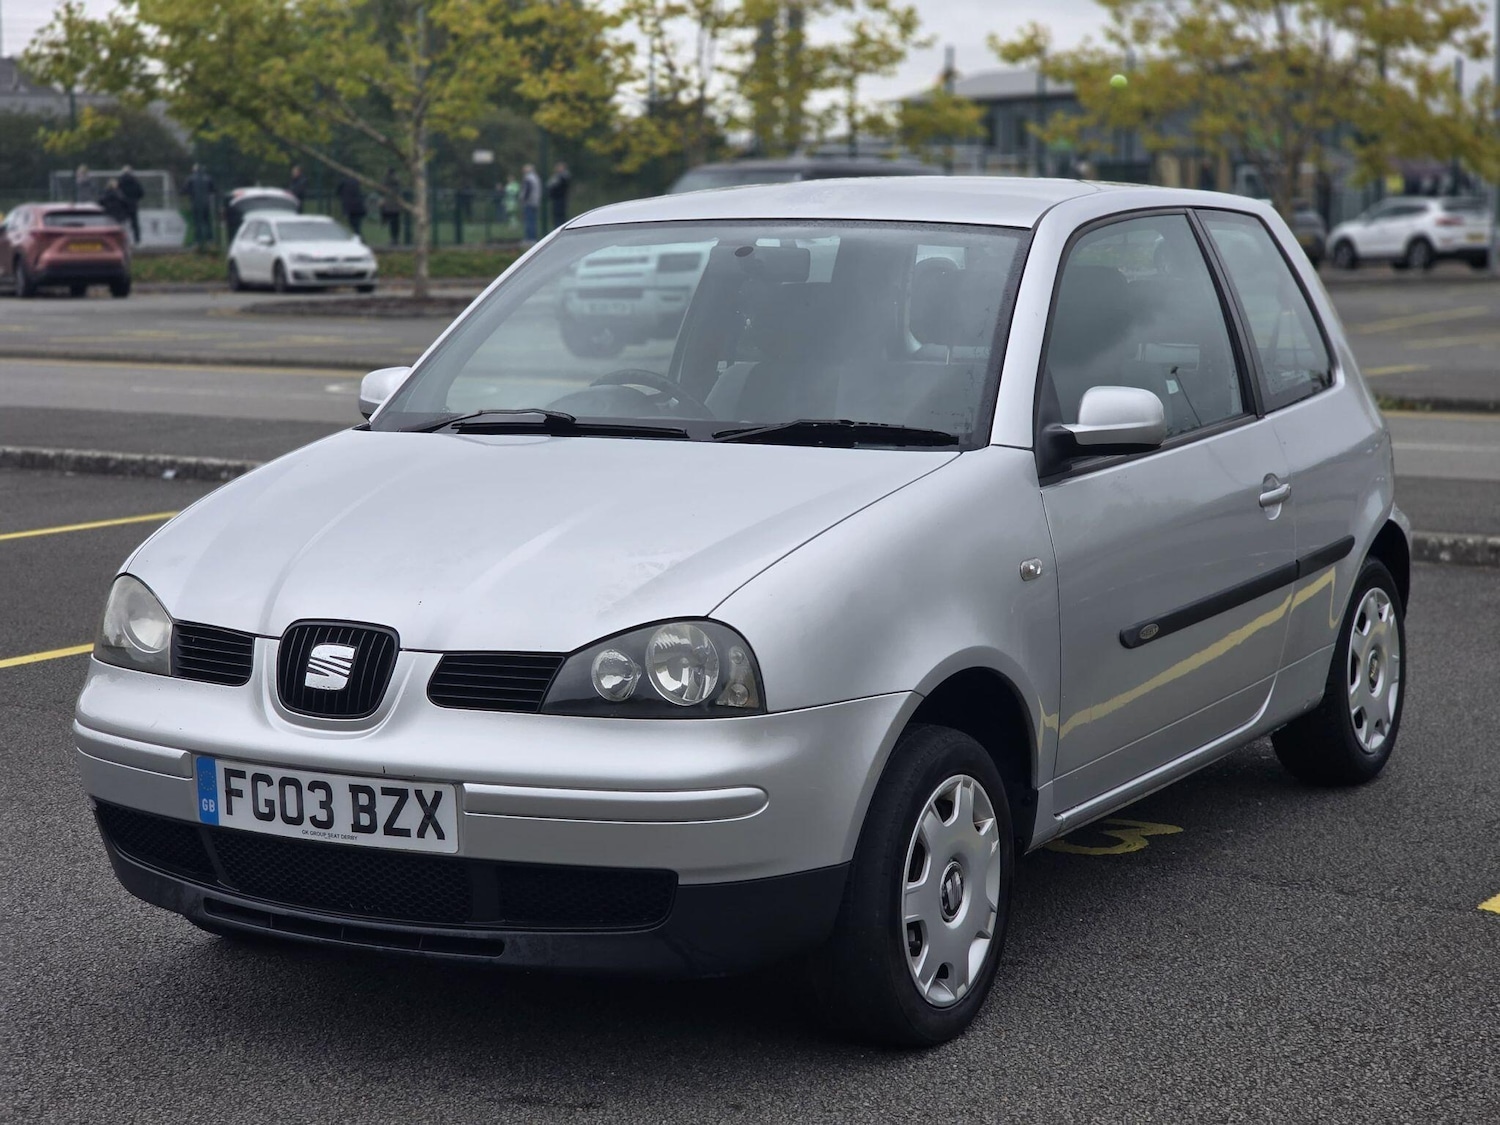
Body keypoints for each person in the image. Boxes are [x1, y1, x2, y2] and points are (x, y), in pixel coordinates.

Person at [182, 163, 215, 250]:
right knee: (207, 222)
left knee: (197, 223)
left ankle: (198, 241)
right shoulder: (208, 178)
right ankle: (210, 240)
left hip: (195, 203)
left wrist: (190, 193)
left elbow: (184, 190)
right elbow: (213, 189)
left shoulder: (190, 178)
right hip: (206, 204)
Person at [118, 164, 144, 244]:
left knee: (122, 224)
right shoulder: (135, 181)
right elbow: (141, 192)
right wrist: (136, 199)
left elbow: (117, 192)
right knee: (135, 224)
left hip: (123, 205)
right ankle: (137, 241)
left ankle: (121, 241)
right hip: (133, 204)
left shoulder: (120, 181)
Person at [519, 163, 542, 243]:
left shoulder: (528, 178)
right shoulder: (536, 177)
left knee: (529, 221)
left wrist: (523, 199)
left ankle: (530, 238)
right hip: (535, 202)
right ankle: (533, 237)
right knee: (533, 220)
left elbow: (527, 190)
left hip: (529, 202)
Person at [379, 168, 402, 245]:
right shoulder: (396, 180)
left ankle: (394, 239)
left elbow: (382, 189)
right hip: (395, 205)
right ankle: (395, 238)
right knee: (395, 223)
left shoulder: (387, 180)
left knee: (393, 222)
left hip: (390, 204)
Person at [546, 161, 571, 229]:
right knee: (556, 216)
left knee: (560, 216)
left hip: (561, 199)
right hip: (556, 199)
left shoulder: (563, 177)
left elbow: (559, 187)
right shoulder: (556, 177)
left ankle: (561, 228)